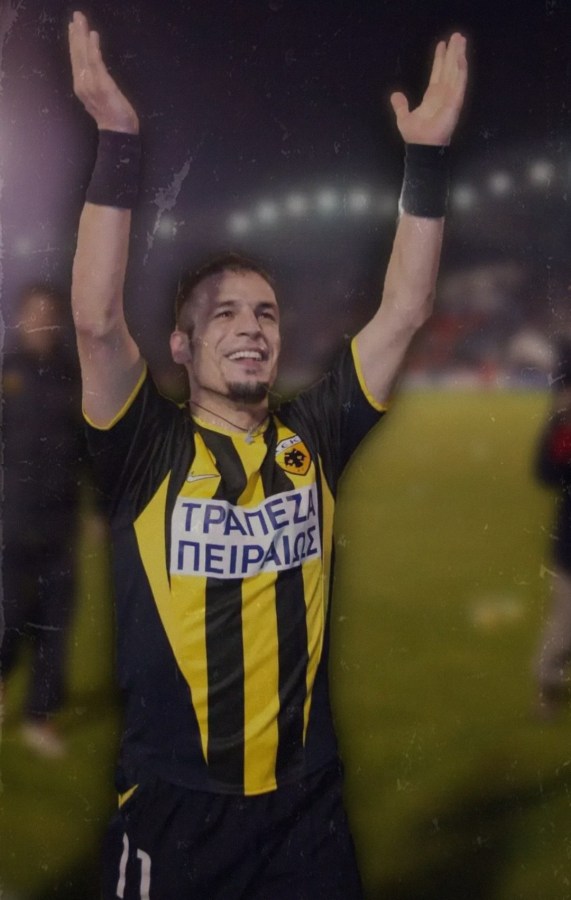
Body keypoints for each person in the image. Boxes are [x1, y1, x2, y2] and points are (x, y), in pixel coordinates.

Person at [68, 10, 467, 898]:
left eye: (264, 313)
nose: (249, 328)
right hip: (176, 808)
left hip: (304, 810)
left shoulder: (313, 435)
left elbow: (403, 309)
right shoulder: (145, 446)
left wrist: (427, 159)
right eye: (223, 314)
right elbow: (95, 320)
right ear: (180, 346)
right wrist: (118, 141)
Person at [1, 285, 83, 758]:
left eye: (48, 315)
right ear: (21, 319)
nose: (41, 323)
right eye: (33, 314)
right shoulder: (6, 371)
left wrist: (96, 511)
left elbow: (86, 444)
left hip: (60, 520)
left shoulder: (72, 374)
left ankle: (40, 718)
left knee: (56, 621)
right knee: (9, 614)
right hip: (11, 516)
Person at [534, 337, 571, 720]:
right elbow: (545, 473)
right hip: (570, 545)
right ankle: (547, 689)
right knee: (565, 626)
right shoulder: (563, 423)